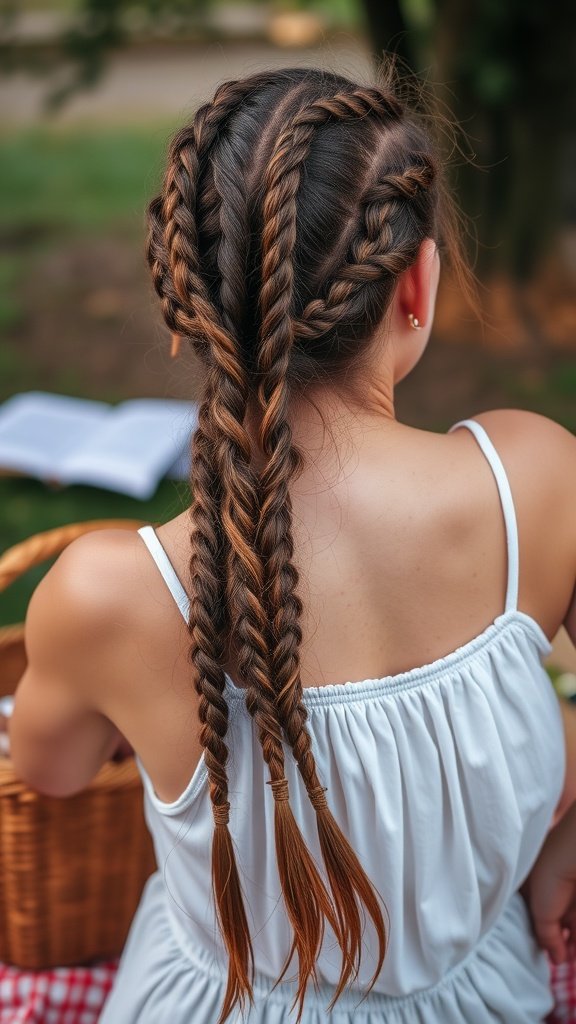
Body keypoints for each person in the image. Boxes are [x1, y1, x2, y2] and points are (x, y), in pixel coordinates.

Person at [9, 66, 576, 1024]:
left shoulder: (106, 595)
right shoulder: (539, 483)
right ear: (418, 285)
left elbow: (50, 772)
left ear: (186, 311)